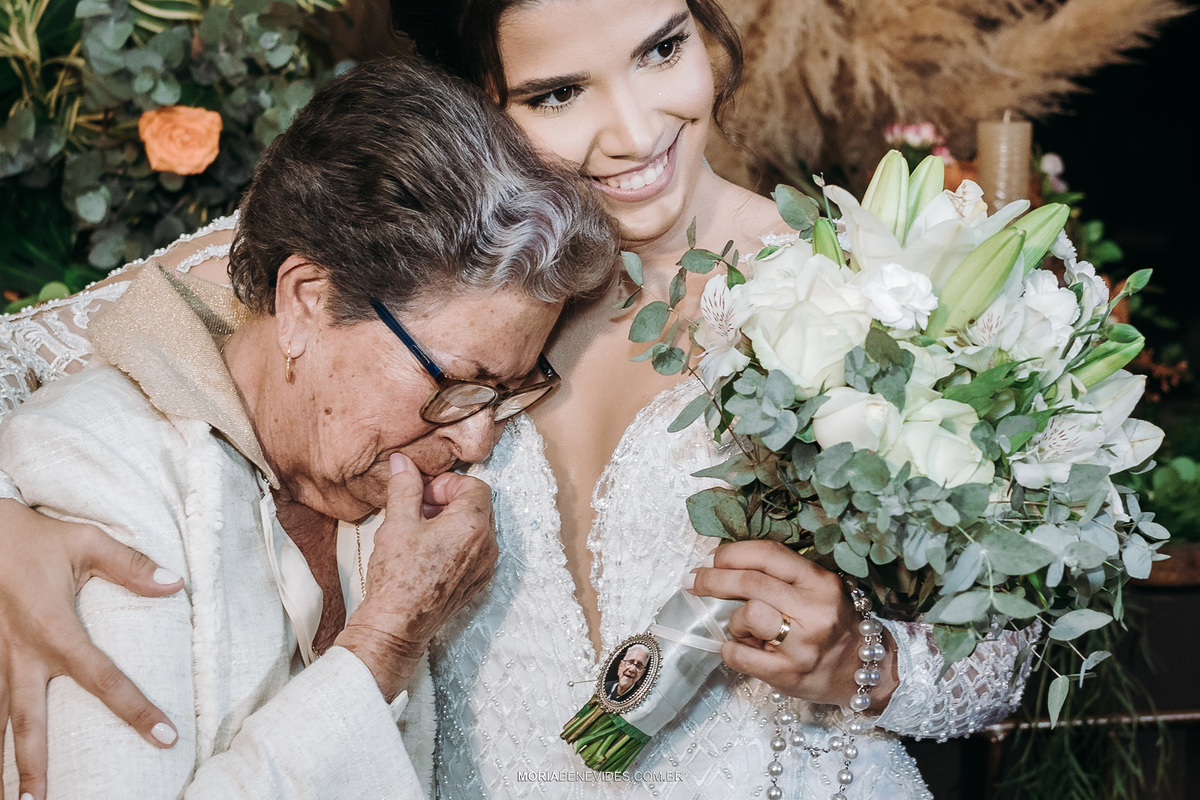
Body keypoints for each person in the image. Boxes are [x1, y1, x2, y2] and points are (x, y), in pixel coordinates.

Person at [0, 1, 1037, 797]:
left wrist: (866, 657)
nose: (634, 131)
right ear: (476, 101)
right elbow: (24, 352)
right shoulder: (390, 252)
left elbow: (1001, 652)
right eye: (557, 94)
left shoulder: (880, 283)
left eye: (661, 49)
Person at [0, 56, 616, 799]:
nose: (479, 440)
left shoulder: (370, 470)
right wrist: (385, 641)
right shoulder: (96, 469)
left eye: (508, 392)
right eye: (459, 383)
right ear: (306, 301)